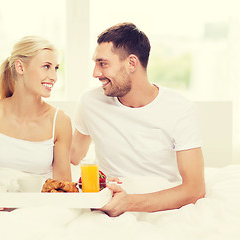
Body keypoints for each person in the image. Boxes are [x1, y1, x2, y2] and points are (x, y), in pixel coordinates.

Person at [70, 23, 206, 217]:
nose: (95, 73)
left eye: (103, 63)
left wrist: (128, 202)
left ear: (131, 63)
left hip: (164, 207)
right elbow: (73, 156)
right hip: (109, 204)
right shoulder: (90, 102)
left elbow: (195, 189)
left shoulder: (180, 109)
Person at [0, 36, 72, 208]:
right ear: (20, 67)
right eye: (46, 67)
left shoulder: (60, 122)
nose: (53, 76)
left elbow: (62, 186)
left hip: (40, 204)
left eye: (55, 68)